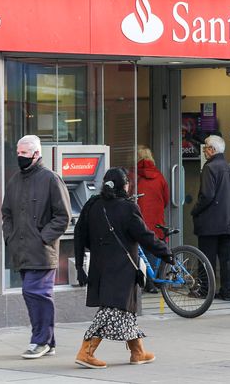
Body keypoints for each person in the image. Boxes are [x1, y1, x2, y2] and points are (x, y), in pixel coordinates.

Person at [73, 167, 174, 369]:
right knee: (112, 310)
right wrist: (165, 252)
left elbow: (79, 234)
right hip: (121, 268)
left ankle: (137, 352)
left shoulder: (93, 204)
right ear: (124, 185)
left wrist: (79, 266)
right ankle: (86, 351)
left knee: (125, 309)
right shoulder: (127, 208)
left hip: (100, 267)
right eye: (128, 183)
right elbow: (144, 235)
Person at [1, 135, 71, 359]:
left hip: (42, 251)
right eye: (18, 153)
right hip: (21, 250)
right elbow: (7, 213)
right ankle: (48, 342)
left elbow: (63, 216)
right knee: (36, 294)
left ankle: (39, 341)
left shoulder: (51, 179)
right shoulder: (15, 181)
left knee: (36, 293)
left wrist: (43, 238)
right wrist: (10, 236)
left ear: (36, 154)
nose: (20, 157)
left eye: (24, 153)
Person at [191, 135, 230, 301]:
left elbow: (207, 195)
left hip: (210, 223)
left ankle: (205, 290)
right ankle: (227, 292)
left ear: (212, 150)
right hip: (228, 222)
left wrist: (195, 210)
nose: (204, 150)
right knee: (226, 259)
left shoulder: (209, 168)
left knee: (206, 258)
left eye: (206, 147)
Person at [136, 146, 170, 294]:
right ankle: (153, 280)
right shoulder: (160, 176)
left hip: (140, 218)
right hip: (157, 219)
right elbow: (166, 199)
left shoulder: (135, 176)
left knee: (140, 250)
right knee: (154, 249)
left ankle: (146, 282)